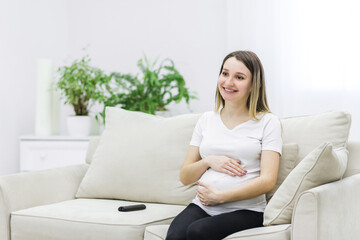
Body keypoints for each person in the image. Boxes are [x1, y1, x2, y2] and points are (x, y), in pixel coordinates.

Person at [165, 50, 282, 240]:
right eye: (225, 74)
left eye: (239, 77)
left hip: (247, 210)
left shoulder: (268, 122)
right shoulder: (206, 120)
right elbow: (185, 176)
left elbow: (268, 180)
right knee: (175, 236)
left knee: (197, 232)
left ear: (255, 85)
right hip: (203, 206)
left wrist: (221, 197)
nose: (228, 82)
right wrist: (208, 161)